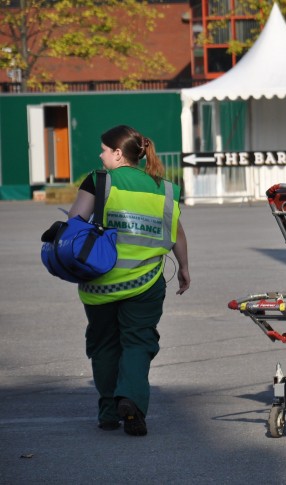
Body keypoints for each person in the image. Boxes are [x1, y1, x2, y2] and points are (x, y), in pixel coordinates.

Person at [68, 125, 191, 436]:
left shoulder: (99, 180)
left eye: (104, 150)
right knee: (138, 343)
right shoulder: (164, 188)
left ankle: (109, 412)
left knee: (104, 344)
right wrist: (185, 268)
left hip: (100, 282)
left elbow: (74, 221)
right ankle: (132, 403)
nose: (101, 154)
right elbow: (175, 231)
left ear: (118, 154)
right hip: (147, 281)